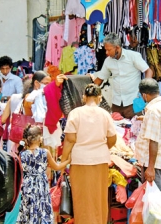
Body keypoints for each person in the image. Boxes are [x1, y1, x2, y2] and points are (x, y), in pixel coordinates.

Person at [62, 83, 117, 224]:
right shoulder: (105, 114)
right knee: (99, 196)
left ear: (84, 97)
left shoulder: (75, 113)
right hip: (100, 160)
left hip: (80, 160)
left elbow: (69, 139)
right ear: (99, 98)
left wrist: (63, 160)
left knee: (81, 197)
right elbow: (112, 138)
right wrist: (102, 148)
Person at [91, 32, 153, 119]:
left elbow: (148, 71)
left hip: (134, 101)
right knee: (117, 129)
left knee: (136, 129)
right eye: (106, 50)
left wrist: (145, 90)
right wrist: (88, 87)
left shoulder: (133, 56)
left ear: (117, 48)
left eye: (109, 50)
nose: (106, 53)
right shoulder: (108, 61)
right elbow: (100, 79)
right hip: (117, 104)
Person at [17, 124, 70, 223]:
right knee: (42, 207)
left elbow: (21, 171)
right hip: (41, 184)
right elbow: (56, 167)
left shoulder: (22, 154)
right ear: (39, 138)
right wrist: (68, 161)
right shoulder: (45, 152)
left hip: (28, 184)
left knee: (29, 207)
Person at [134, 78, 161, 195]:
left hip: (153, 163)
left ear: (144, 95)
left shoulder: (153, 111)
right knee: (159, 199)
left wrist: (150, 168)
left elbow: (153, 141)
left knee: (153, 202)